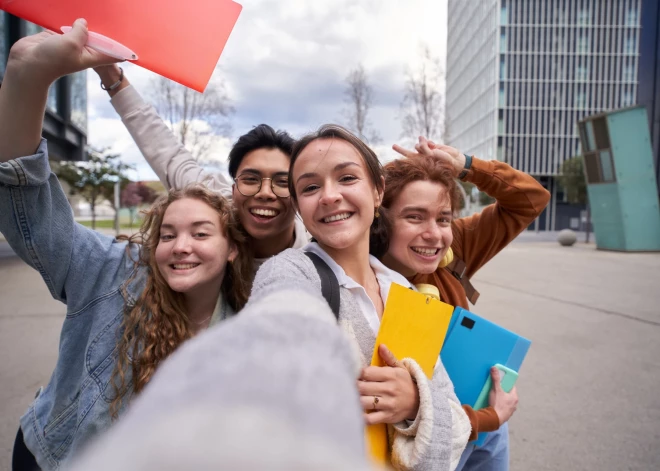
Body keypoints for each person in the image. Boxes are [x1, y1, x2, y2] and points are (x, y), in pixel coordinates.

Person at [0, 22, 252, 470]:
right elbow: (30, 209)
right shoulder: (113, 272)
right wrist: (26, 75)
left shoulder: (250, 319)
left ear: (232, 248)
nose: (180, 246)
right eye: (168, 234)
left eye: (200, 233)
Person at [247, 124, 472, 470]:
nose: (329, 196)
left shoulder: (406, 295)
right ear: (298, 206)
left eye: (347, 178)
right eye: (310, 187)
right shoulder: (290, 272)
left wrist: (415, 403)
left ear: (378, 191)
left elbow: (455, 435)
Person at [379, 138, 551, 470]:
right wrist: (483, 419)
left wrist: (467, 166)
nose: (434, 234)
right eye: (414, 217)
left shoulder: (456, 244)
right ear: (379, 222)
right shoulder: (361, 282)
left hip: (488, 425)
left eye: (443, 218)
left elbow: (531, 199)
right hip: (428, 444)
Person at [94, 65, 308, 265]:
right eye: (251, 179)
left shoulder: (320, 255)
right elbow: (163, 149)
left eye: (282, 182)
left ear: (299, 194)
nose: (265, 193)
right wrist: (111, 75)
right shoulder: (210, 201)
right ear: (233, 189)